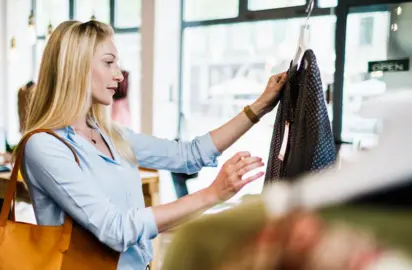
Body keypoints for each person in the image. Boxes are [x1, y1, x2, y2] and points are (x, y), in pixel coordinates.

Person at [20, 19, 287, 270]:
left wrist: (259, 107)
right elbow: (116, 230)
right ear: (76, 68)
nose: (119, 76)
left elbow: (188, 155)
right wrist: (212, 194)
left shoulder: (111, 135)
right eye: (109, 63)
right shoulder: (44, 146)